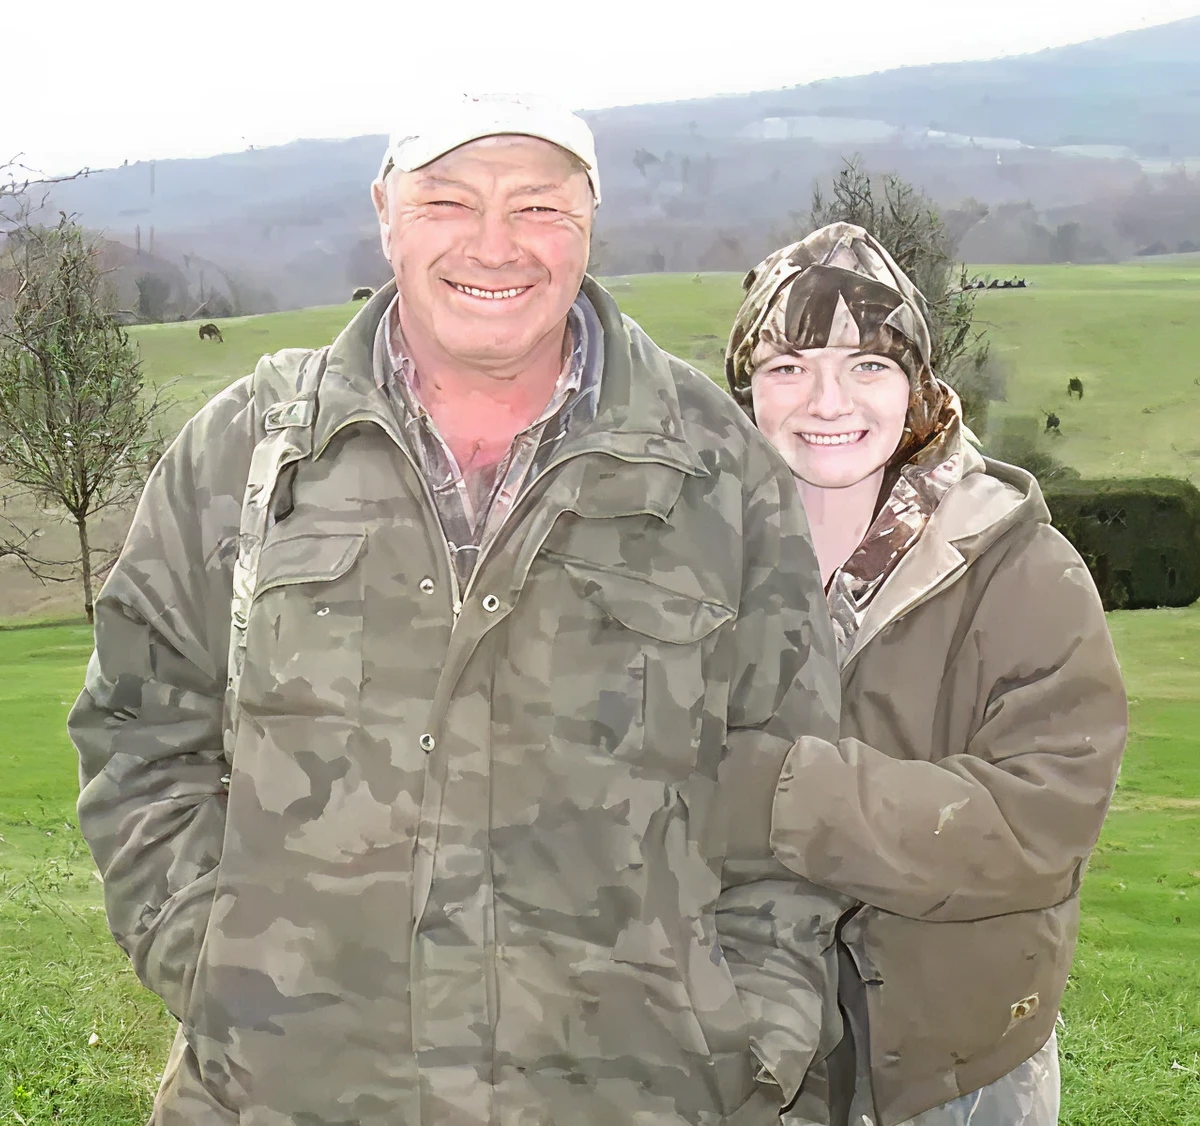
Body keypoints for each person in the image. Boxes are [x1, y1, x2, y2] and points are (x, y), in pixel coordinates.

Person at [69, 94, 846, 1125]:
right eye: (449, 200)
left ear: (590, 220)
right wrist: (226, 971)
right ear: (386, 211)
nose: (496, 245)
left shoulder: (715, 471)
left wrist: (748, 1036)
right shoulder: (249, 454)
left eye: (538, 207)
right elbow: (139, 732)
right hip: (289, 1099)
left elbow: (793, 783)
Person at [724, 223, 1128, 1126]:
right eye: (788, 365)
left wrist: (784, 796)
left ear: (917, 385)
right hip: (740, 1062)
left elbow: (1040, 824)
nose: (827, 399)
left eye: (868, 364)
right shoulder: (692, 562)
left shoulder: (1022, 569)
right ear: (747, 389)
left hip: (958, 1075)